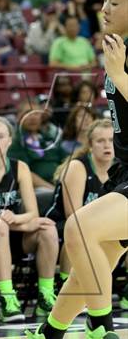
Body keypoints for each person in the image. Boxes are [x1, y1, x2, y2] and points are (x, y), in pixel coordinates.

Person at [0, 0, 128, 339]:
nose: (104, 7)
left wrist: (119, 76)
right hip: (126, 173)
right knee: (94, 265)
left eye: (114, 1)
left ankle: (104, 335)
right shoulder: (117, 45)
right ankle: (51, 336)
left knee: (78, 228)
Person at [0, 117, 59, 322]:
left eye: (0, 136)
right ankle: (7, 298)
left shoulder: (20, 167)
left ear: (9, 140)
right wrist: (13, 221)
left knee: (48, 229)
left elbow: (32, 212)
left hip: (15, 231)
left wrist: (19, 220)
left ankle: (46, 296)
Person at [47, 119, 114, 280]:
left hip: (99, 225)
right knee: (80, 232)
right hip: (62, 224)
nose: (107, 145)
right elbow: (74, 215)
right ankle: (67, 283)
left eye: (111, 140)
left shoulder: (120, 168)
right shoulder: (77, 167)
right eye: (100, 141)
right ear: (90, 144)